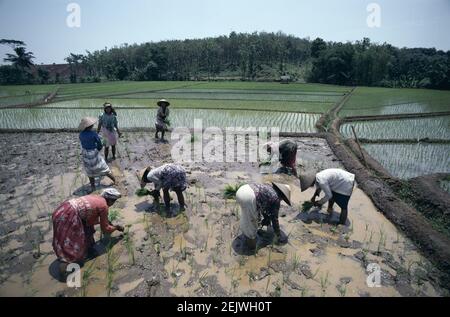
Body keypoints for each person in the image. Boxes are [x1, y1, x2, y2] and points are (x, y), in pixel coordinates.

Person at [52, 188, 124, 277]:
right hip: (68, 216)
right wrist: (116, 227)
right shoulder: (104, 206)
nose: (112, 204)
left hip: (62, 209)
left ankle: (89, 249)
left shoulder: (96, 197)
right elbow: (105, 229)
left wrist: (108, 223)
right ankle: (64, 272)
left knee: (87, 229)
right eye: (114, 201)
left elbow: (90, 217)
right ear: (110, 200)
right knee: (69, 246)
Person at [236, 182, 291, 250]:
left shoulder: (268, 187)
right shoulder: (276, 198)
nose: (282, 200)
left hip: (243, 189)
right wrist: (278, 234)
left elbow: (264, 207)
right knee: (252, 223)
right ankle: (251, 248)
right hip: (249, 197)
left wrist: (266, 218)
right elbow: (274, 218)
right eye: (283, 199)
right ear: (282, 195)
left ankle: (245, 234)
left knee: (246, 216)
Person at [79, 117, 116, 193]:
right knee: (103, 167)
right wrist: (98, 149)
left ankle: (93, 187)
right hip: (93, 152)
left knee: (89, 170)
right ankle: (114, 180)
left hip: (85, 153)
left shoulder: (81, 134)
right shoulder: (93, 133)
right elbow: (99, 143)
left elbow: (83, 143)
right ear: (91, 126)